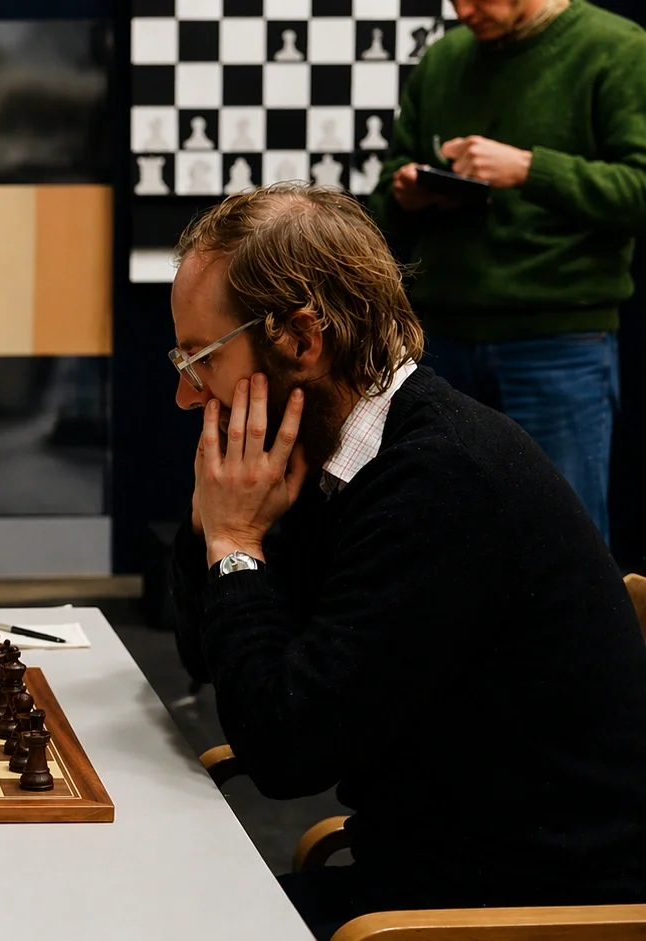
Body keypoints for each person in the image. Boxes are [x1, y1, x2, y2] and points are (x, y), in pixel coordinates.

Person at [167, 184, 646, 939]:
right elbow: (214, 654)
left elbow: (286, 752)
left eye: (199, 359)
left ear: (300, 338)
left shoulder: (443, 482)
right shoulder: (339, 459)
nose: (185, 395)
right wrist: (216, 532)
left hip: (520, 910)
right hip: (430, 871)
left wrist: (233, 547)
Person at [367, 0, 646, 545]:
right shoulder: (444, 59)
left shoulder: (616, 47)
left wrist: (529, 169)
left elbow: (638, 190)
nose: (465, 10)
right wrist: (410, 192)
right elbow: (382, 204)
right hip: (440, 341)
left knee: (564, 541)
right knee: (441, 536)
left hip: (558, 342)